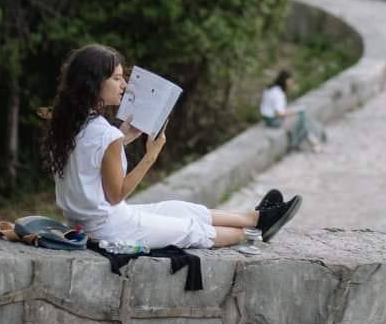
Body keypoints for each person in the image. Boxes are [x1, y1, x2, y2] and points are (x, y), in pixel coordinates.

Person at [41, 44, 301, 249]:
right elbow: (116, 194)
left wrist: (123, 138)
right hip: (108, 227)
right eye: (117, 78)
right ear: (95, 82)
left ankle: (254, 218)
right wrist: (150, 155)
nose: (124, 85)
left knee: (180, 209)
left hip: (86, 221)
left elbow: (90, 160)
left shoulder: (68, 123)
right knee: (190, 230)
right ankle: (254, 233)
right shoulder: (105, 134)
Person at [260, 69, 323, 152]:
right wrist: (296, 111)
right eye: (291, 80)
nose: (292, 83)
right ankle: (312, 142)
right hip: (274, 121)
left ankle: (312, 141)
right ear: (285, 81)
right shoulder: (278, 93)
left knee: (302, 118)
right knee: (302, 117)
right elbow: (279, 113)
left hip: (267, 119)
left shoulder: (270, 89)